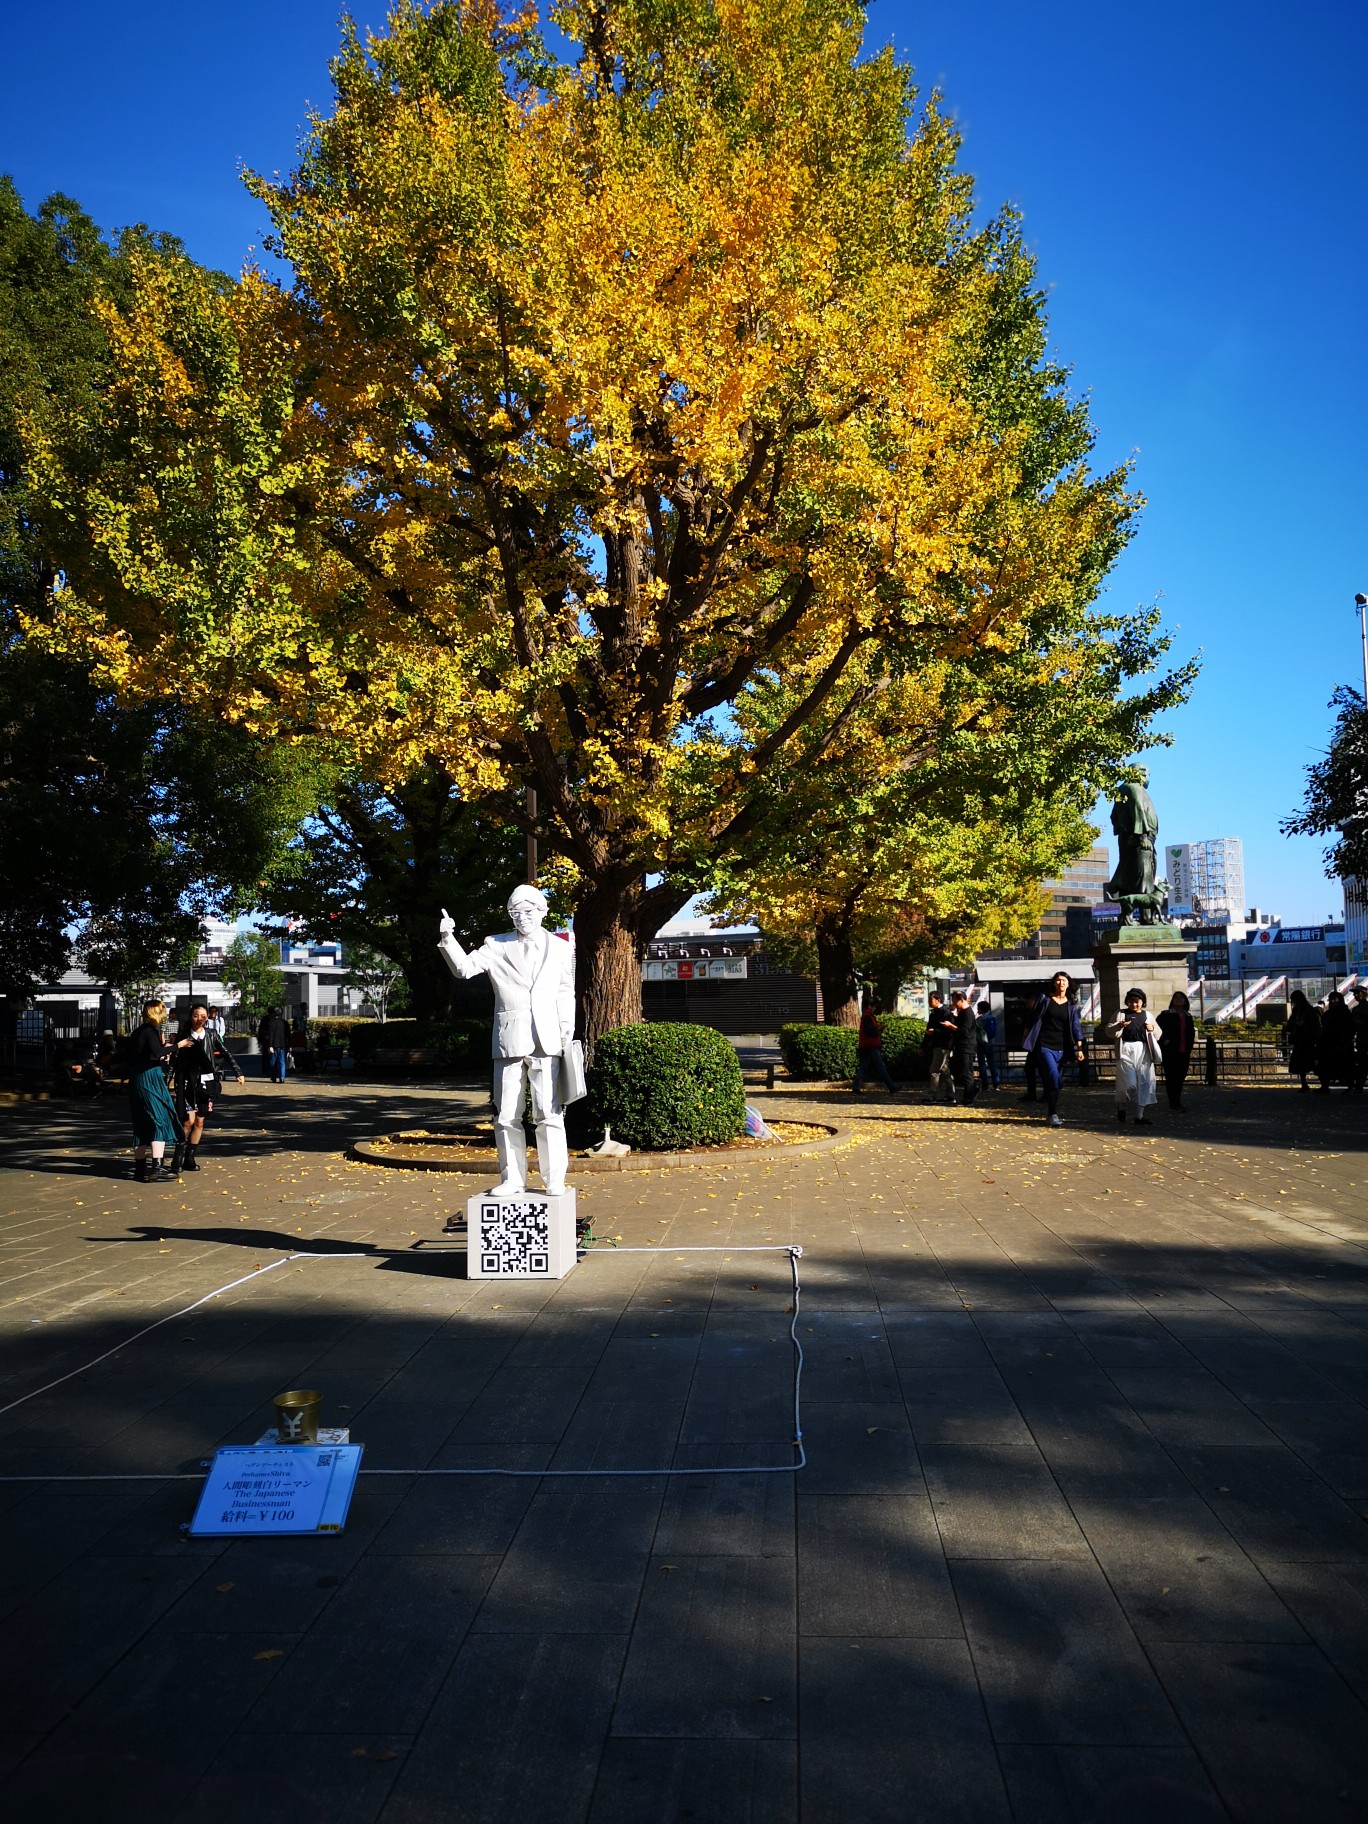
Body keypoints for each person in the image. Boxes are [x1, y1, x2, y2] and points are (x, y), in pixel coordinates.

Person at [439, 885, 578, 1195]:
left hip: (547, 1037)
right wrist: (449, 939)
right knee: (506, 1115)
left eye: (528, 912)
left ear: (543, 912)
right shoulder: (496, 945)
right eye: (516, 913)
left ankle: (555, 1178)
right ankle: (512, 1178)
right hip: (509, 1038)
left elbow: (564, 990)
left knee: (549, 1112)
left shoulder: (560, 947)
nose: (522, 918)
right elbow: (464, 969)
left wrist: (566, 1027)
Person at [171, 1001, 245, 1172]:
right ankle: (178, 1157)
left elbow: (226, 1052)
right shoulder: (184, 1036)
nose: (199, 1019)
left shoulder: (211, 1035)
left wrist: (238, 1072)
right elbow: (174, 1061)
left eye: (203, 1016)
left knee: (200, 1121)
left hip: (206, 1083)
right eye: (196, 1015)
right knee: (187, 1121)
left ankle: (190, 1158)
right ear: (191, 1017)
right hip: (188, 1083)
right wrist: (167, 1080)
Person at [1022, 971, 1085, 1127]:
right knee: (1053, 1077)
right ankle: (1053, 1113)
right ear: (1054, 983)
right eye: (1058, 980)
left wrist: (1080, 1048)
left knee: (1056, 1082)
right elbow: (1033, 1018)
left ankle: (1051, 1111)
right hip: (1044, 1045)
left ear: (1068, 984)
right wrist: (1025, 1037)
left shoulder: (1071, 1006)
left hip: (1062, 1048)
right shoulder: (1045, 1000)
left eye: (1063, 981)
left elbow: (1076, 1027)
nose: (1060, 983)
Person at [127, 1000, 180, 1183]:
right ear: (155, 1012)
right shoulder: (150, 1031)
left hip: (137, 1077)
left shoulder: (137, 1032)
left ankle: (139, 1170)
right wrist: (178, 1046)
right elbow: (157, 1053)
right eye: (162, 1010)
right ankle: (157, 1167)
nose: (165, 1013)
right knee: (160, 1118)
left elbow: (133, 1054)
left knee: (141, 1124)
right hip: (150, 1077)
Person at [1104, 987, 1162, 1125]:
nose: (1134, 1004)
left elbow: (1158, 1033)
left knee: (1145, 1082)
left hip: (1144, 1051)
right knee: (1128, 1084)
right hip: (1126, 1050)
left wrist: (1152, 1029)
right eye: (1131, 1001)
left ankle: (1139, 1116)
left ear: (1142, 1002)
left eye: (1137, 1001)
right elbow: (1108, 1031)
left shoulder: (1147, 1015)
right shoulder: (1121, 1014)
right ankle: (1122, 1105)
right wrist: (1120, 1026)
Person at [1156, 990, 1196, 1111]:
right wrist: (1164, 1041)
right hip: (1170, 1052)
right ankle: (1173, 1103)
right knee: (1171, 1077)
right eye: (1176, 997)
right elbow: (1156, 1030)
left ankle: (1177, 1101)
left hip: (1184, 1051)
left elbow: (1191, 1033)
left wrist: (1189, 1047)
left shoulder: (1188, 1016)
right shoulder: (1166, 1014)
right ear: (1172, 1001)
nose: (1178, 999)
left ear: (1185, 1001)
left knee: (1180, 1077)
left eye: (1181, 997)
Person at [852, 995, 899, 1096]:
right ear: (869, 1006)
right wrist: (879, 1028)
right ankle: (892, 1087)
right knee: (880, 1067)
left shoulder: (867, 1016)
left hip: (867, 1044)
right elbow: (870, 1031)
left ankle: (856, 1087)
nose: (874, 1008)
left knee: (864, 1067)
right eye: (873, 1006)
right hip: (871, 1044)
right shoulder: (868, 1017)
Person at [923, 991, 958, 1105]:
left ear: (938, 1000)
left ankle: (933, 1095)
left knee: (934, 1070)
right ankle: (950, 1095)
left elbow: (949, 1030)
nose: (929, 1001)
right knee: (945, 1071)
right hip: (938, 1045)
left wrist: (935, 1032)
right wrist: (923, 1045)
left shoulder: (945, 1012)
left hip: (943, 1046)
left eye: (931, 999)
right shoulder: (934, 1013)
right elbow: (928, 1031)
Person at [1317, 989, 1354, 1093]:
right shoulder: (1328, 1014)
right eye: (1331, 999)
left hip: (1342, 1043)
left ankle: (1350, 1087)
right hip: (1328, 1043)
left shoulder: (1345, 1014)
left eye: (1335, 999)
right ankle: (1325, 1086)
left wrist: (1344, 1042)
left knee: (1346, 1066)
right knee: (1325, 1065)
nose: (1333, 1001)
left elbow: (1349, 1029)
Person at [1284, 989, 1320, 1092]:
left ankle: (1305, 1084)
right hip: (1308, 1040)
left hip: (1302, 1040)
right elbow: (1316, 1026)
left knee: (1302, 1063)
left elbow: (1290, 1024)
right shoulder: (1309, 1010)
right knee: (1310, 1062)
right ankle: (1318, 1084)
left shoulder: (1298, 1011)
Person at [950, 990, 979, 1106]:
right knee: (959, 1071)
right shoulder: (962, 1012)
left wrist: (951, 1026)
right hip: (961, 1046)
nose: (953, 1004)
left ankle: (969, 1097)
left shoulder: (967, 1013)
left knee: (966, 1073)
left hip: (967, 1047)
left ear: (961, 1000)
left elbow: (965, 1031)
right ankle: (972, 1090)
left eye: (954, 1001)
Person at [258, 1006, 291, 1083]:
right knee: (282, 1061)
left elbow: (271, 1035)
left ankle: (273, 1076)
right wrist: (289, 1044)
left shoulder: (271, 1023)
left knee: (273, 1061)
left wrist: (270, 1045)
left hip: (274, 1044)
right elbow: (288, 1035)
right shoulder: (285, 1023)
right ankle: (282, 1077)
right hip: (283, 1044)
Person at [975, 1000, 1000, 1092]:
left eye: (978, 1008)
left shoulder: (979, 1020)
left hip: (981, 1044)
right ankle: (996, 1085)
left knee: (982, 1065)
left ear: (981, 1009)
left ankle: (985, 1086)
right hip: (991, 1043)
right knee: (992, 1064)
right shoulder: (992, 1018)